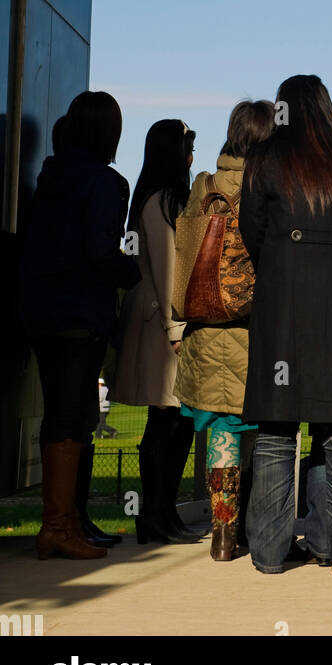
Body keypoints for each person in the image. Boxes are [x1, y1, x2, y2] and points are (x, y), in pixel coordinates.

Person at [239, 75, 332, 576]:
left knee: (277, 432)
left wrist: (286, 262)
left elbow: (252, 233)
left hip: (283, 307)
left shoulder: (264, 160)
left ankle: (268, 552)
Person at [19, 93, 139, 559]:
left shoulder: (50, 178)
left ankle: (62, 523)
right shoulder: (107, 183)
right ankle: (60, 527)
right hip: (80, 313)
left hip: (41, 311)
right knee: (75, 419)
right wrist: (137, 275)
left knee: (60, 415)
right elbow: (102, 252)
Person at [173, 99, 275, 561]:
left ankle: (221, 532)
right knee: (254, 431)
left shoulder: (203, 186)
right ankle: (254, 527)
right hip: (255, 328)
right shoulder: (271, 187)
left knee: (221, 431)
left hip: (206, 327)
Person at [113, 119, 201, 545]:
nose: (191, 156)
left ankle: (160, 514)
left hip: (151, 320)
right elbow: (170, 270)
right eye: (188, 148)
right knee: (167, 422)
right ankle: (157, 514)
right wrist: (177, 329)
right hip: (162, 326)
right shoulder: (164, 201)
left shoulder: (150, 197)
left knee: (168, 422)